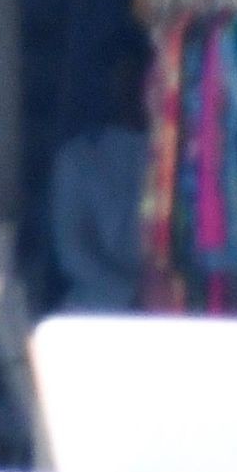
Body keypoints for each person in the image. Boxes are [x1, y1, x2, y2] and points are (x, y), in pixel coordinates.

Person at [49, 30, 150, 313]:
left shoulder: (178, 154)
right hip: (95, 309)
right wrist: (132, 295)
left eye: (135, 77)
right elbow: (73, 252)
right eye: (120, 78)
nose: (128, 89)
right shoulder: (78, 157)